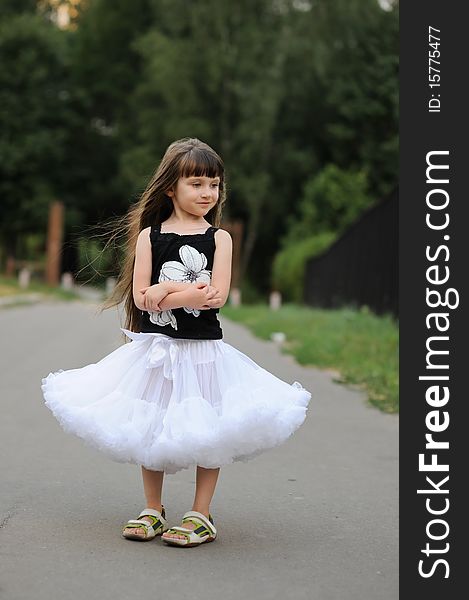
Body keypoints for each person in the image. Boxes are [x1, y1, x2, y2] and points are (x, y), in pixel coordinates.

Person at [41, 137, 311, 548]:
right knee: (152, 423)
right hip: (158, 350)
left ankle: (201, 513)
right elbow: (140, 298)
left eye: (214, 185)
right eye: (197, 184)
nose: (207, 193)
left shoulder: (219, 240)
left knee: (209, 428)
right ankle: (153, 507)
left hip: (203, 352)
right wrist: (178, 289)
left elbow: (214, 297)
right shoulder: (151, 236)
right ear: (172, 187)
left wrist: (165, 291)